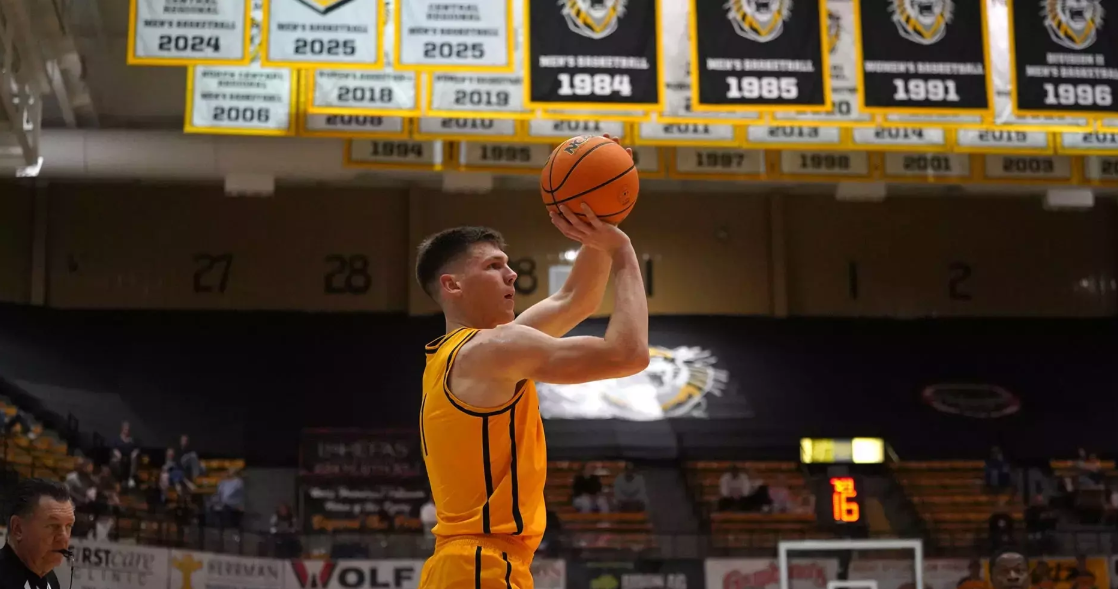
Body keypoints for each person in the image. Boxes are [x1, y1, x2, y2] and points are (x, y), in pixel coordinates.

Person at [416, 136, 649, 589]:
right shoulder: (490, 351)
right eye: (494, 266)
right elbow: (628, 354)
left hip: (470, 564)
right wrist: (622, 253)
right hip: (479, 567)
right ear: (453, 285)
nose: (512, 274)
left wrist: (599, 222)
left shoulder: (470, 352)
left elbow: (575, 298)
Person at [0, 478, 74, 589]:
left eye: (68, 526)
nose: (64, 537)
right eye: (52, 525)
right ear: (18, 528)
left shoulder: (51, 579)